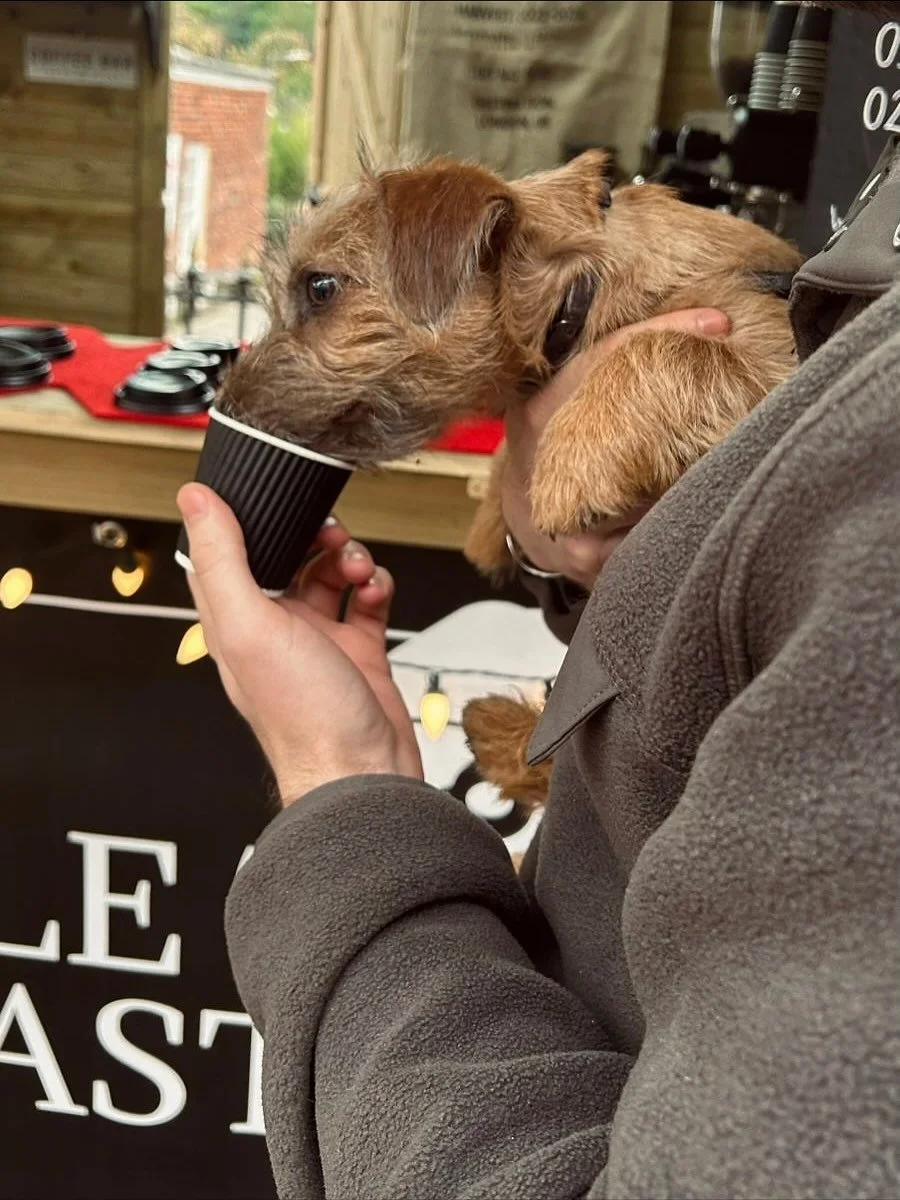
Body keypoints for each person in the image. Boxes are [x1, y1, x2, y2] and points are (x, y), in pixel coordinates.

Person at [177, 32, 899, 1200]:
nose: (277, 356)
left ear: (446, 246)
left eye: (320, 297)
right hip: (590, 994)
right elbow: (610, 540)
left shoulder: (690, 294)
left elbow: (737, 385)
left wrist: (336, 787)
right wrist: (535, 539)